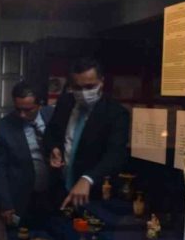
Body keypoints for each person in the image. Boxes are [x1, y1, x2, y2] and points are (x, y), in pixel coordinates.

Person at [44, 56, 129, 208]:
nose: (83, 93)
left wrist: (88, 178)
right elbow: (51, 133)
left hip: (93, 194)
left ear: (101, 82)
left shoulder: (116, 113)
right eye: (78, 88)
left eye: (90, 87)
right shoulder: (65, 102)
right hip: (59, 189)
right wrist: (54, 148)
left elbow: (115, 155)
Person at [0, 81, 54, 227]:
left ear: (40, 104)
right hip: (22, 198)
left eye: (28, 110)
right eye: (18, 109)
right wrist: (5, 204)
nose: (22, 115)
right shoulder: (3, 127)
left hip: (55, 194)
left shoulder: (54, 115)